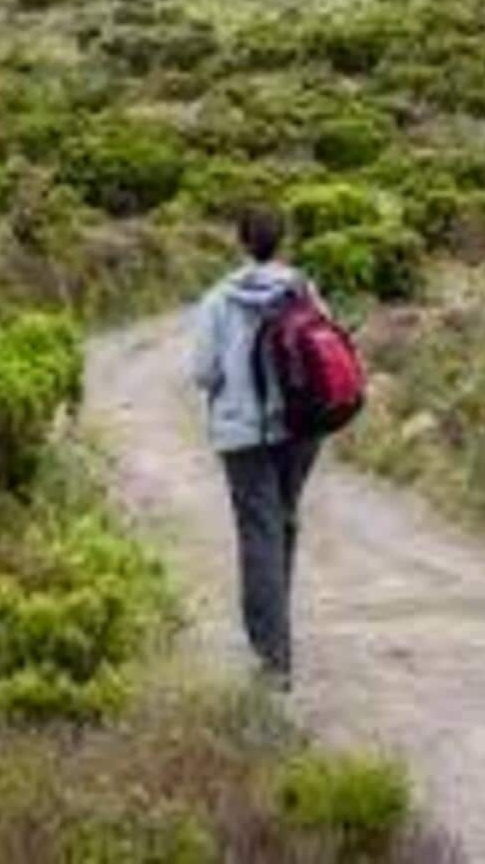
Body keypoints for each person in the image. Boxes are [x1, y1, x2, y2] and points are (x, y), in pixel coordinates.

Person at [189, 206, 325, 691]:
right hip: (301, 429)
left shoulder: (218, 300)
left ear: (240, 240)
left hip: (243, 435)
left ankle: (273, 656)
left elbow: (203, 372)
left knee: (259, 534)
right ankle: (277, 628)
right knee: (282, 521)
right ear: (281, 240)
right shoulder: (303, 289)